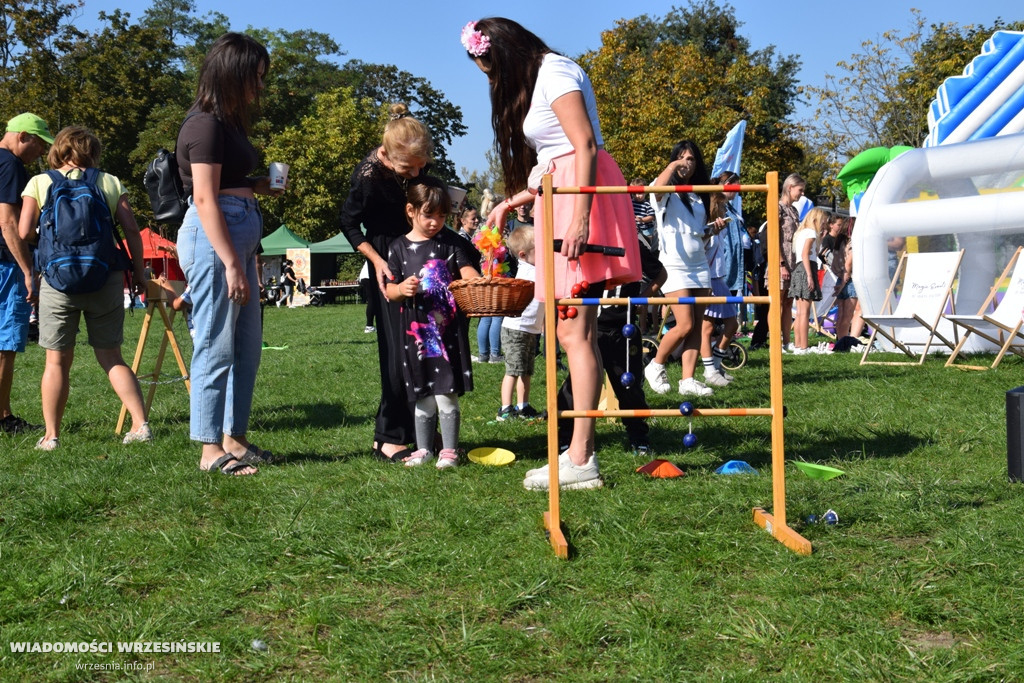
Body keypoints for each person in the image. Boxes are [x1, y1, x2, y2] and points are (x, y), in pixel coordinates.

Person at [464, 17, 641, 490]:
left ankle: (581, 457)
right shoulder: (537, 79)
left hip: (577, 202)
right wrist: (510, 202)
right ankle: (578, 452)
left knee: (573, 334)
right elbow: (554, 160)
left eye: (490, 66)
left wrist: (581, 216)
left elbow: (583, 145)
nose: (491, 77)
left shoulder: (555, 71)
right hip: (559, 198)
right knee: (573, 333)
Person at [339, 102, 473, 464]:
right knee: (400, 350)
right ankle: (389, 435)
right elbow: (349, 225)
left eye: (421, 165)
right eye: (407, 167)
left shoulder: (417, 165)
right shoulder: (367, 176)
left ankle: (424, 433)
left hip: (428, 249)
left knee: (436, 340)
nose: (416, 171)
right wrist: (378, 261)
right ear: (386, 154)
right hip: (390, 257)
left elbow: (429, 195)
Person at [175, 32, 281, 476]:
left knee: (246, 347)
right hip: (214, 238)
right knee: (215, 344)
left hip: (237, 232)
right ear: (232, 74)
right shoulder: (204, 124)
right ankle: (208, 450)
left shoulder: (229, 123)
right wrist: (233, 263)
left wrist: (257, 185)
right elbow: (203, 199)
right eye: (254, 77)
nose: (259, 87)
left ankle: (234, 439)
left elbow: (223, 185)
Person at [17, 125, 150, 450]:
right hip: (104, 277)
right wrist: (138, 270)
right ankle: (140, 424)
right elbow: (131, 229)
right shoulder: (108, 182)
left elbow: (23, 232)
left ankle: (51, 436)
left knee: (57, 361)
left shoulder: (40, 182)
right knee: (112, 357)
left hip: (58, 283)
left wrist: (51, 238)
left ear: (59, 149)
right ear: (93, 150)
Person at [385, 177, 479, 468]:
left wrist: (478, 283)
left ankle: (449, 450)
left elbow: (469, 275)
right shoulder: (398, 247)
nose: (435, 222)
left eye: (441, 216)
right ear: (411, 211)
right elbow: (389, 289)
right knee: (423, 393)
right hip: (416, 335)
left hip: (447, 334)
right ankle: (424, 449)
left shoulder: (451, 243)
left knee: (446, 391)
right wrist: (401, 290)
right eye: (429, 214)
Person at [558, 233, 666, 454]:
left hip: (621, 331)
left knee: (629, 387)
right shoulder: (582, 243)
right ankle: (565, 436)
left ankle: (639, 437)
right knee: (575, 386)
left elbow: (660, 274)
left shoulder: (631, 244)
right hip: (587, 331)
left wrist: (640, 300)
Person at [644, 140, 724, 398]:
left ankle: (688, 379)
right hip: (674, 266)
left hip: (699, 264)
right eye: (681, 158)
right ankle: (656, 365)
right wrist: (673, 165)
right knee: (685, 324)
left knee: (697, 325)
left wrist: (713, 229)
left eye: (690, 159)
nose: (685, 163)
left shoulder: (698, 195)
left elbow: (698, 235)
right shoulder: (665, 188)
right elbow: (656, 190)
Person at [0, 113, 50, 435]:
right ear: (22, 136)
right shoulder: (10, 165)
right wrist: (27, 270)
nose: (41, 153)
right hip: (5, 265)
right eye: (39, 145)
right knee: (5, 340)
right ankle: (3, 417)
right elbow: (7, 222)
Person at [496, 224, 544, 421]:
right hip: (516, 328)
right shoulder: (528, 272)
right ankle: (505, 409)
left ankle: (523, 406)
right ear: (523, 254)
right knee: (513, 370)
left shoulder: (535, 269)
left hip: (530, 328)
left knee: (526, 370)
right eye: (538, 250)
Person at [699, 183, 741, 386]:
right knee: (707, 327)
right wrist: (712, 231)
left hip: (719, 278)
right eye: (723, 207)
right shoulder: (705, 229)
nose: (726, 211)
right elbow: (701, 250)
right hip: (708, 279)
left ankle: (716, 365)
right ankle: (709, 371)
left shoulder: (720, 229)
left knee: (732, 323)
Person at [790, 207, 827, 354]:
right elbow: (806, 254)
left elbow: (808, 253)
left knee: (799, 312)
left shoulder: (800, 232)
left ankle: (799, 344)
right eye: (823, 221)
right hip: (806, 269)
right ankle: (804, 346)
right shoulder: (811, 232)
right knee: (804, 312)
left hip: (798, 269)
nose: (824, 224)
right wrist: (810, 275)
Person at [777, 173, 806, 352]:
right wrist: (780, 263)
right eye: (800, 190)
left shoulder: (794, 210)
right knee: (778, 301)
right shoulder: (777, 207)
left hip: (793, 259)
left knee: (788, 302)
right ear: (790, 188)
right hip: (780, 259)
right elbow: (774, 236)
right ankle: (776, 341)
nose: (802, 194)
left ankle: (787, 342)